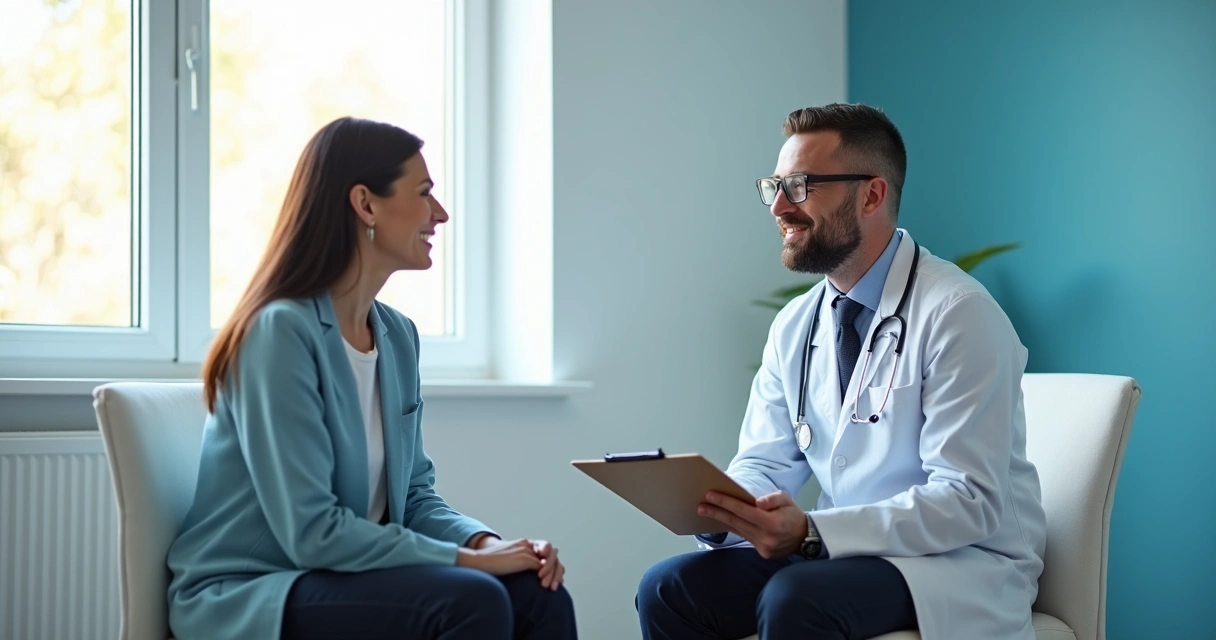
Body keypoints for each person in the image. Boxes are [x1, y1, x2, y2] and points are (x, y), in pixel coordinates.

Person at [636, 103, 1047, 640]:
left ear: (872, 195)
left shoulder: (959, 313)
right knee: (670, 588)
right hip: (840, 549)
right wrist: (723, 512)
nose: (779, 206)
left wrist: (810, 532)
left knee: (797, 599)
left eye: (801, 185)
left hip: (956, 563)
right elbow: (765, 463)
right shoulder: (796, 323)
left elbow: (969, 500)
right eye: (775, 186)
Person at [166, 117, 577, 640]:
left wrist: (485, 546)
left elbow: (415, 498)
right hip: (254, 589)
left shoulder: (397, 336)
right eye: (425, 193)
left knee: (539, 595)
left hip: (336, 575)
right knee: (470, 600)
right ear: (365, 204)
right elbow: (312, 533)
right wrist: (465, 565)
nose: (441, 213)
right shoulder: (279, 333)